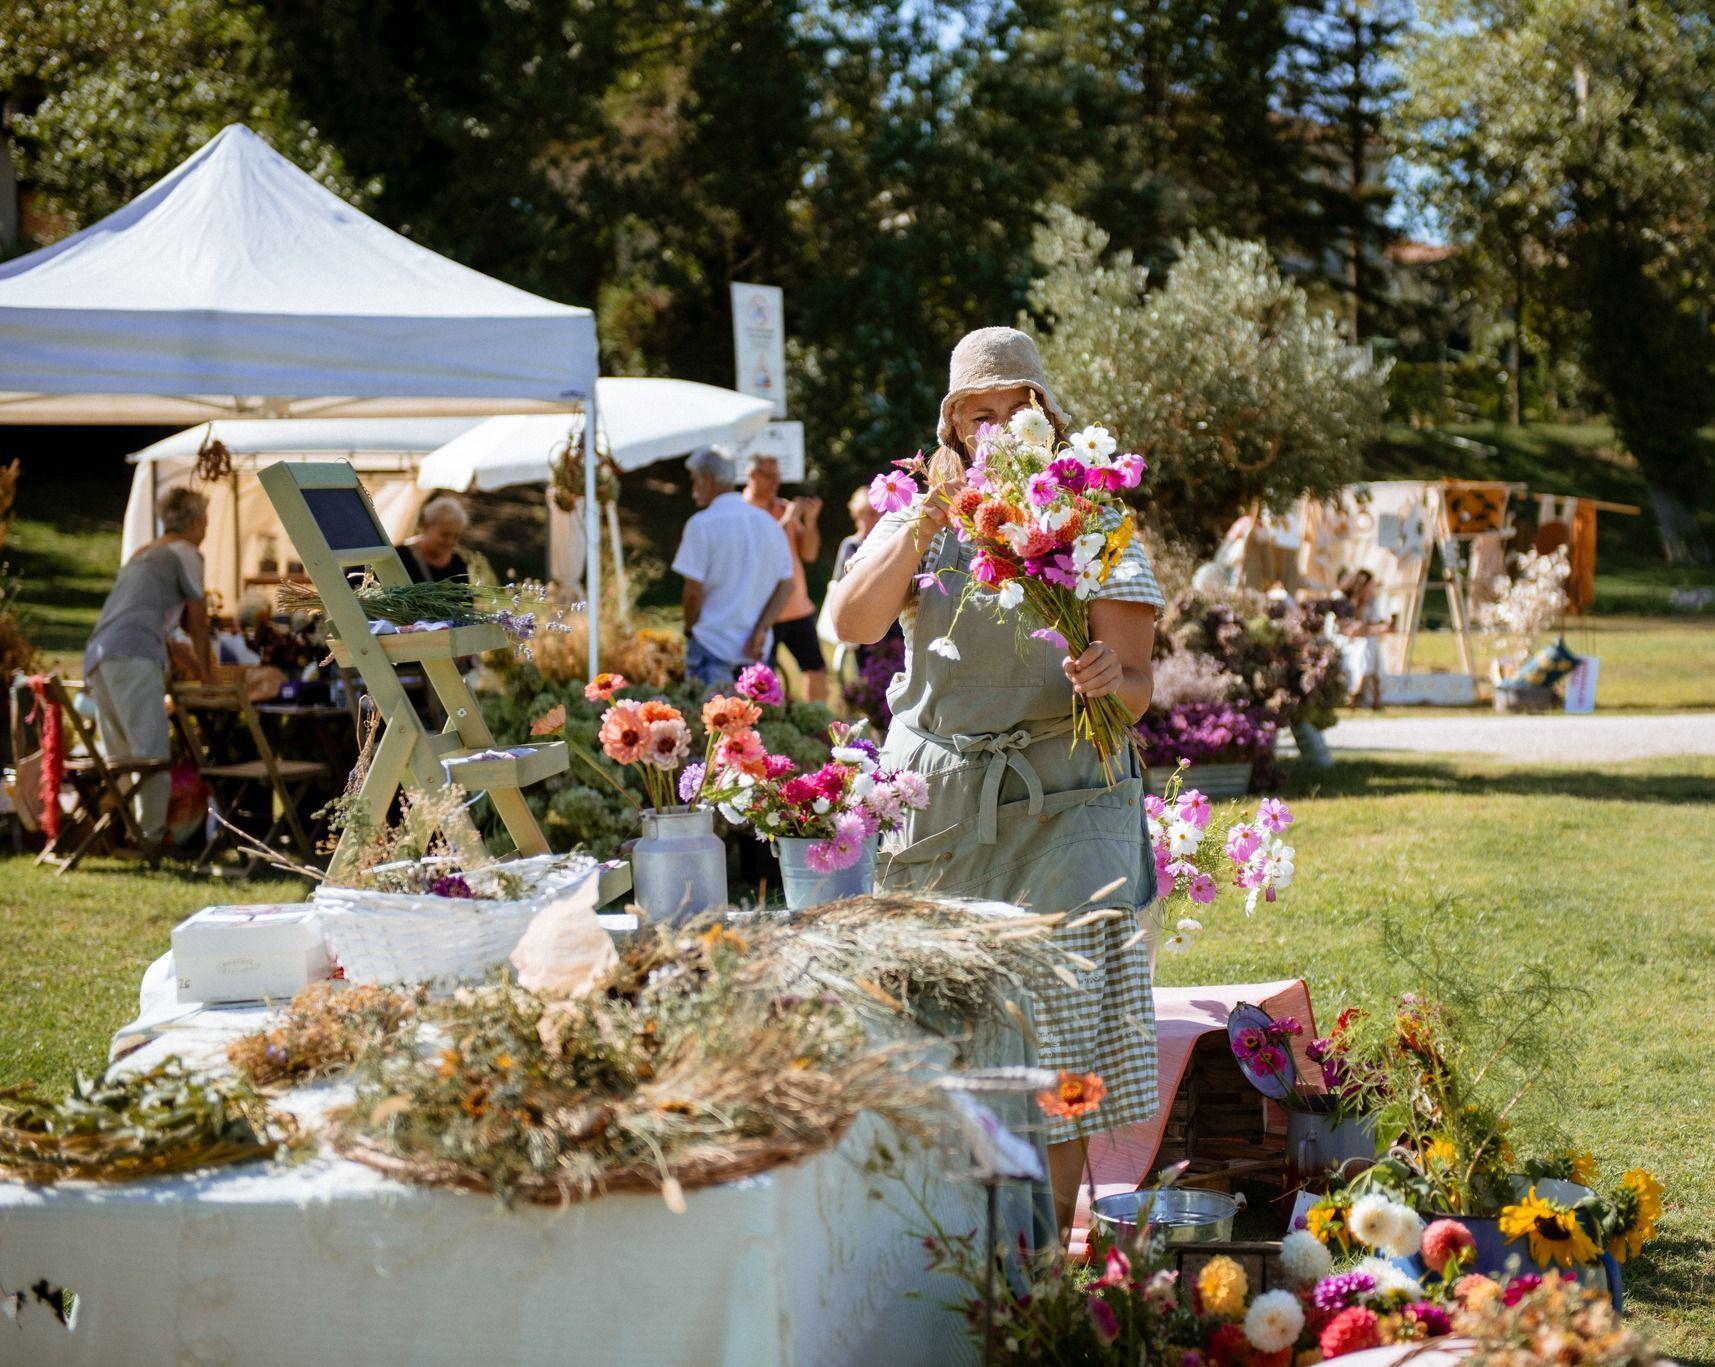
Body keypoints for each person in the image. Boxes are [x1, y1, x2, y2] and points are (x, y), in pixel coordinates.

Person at [827, 325, 1165, 1244]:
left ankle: (1045, 1255)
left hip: (1069, 803)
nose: (999, 426)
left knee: (1065, 1045)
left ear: (1047, 419)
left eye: (1018, 408)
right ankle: (942, 1247)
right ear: (951, 426)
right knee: (941, 1031)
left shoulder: (1094, 518)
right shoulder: (922, 514)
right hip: (942, 807)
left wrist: (1108, 680)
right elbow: (852, 620)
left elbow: (1136, 685)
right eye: (980, 412)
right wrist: (927, 522)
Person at [83, 487, 212, 849]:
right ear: (196, 522)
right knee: (151, 753)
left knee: (122, 756)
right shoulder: (186, 552)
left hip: (100, 652)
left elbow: (159, 622)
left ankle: (125, 833)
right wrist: (207, 677)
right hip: (134, 654)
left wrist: (185, 661)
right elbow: (198, 624)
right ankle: (152, 839)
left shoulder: (144, 554)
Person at [673, 447, 796, 689]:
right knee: (755, 724)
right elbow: (787, 585)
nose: (693, 488)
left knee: (711, 723)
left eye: (695, 480)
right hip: (756, 648)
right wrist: (763, 627)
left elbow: (692, 591)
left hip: (711, 643)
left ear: (707, 480)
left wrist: (689, 629)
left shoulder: (701, 524)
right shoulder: (768, 524)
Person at [743, 455, 826, 702]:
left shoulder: (781, 506)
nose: (775, 483)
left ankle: (818, 726)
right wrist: (787, 520)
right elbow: (758, 551)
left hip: (797, 606)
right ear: (752, 476)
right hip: (762, 611)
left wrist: (809, 522)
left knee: (816, 669)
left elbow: (809, 553)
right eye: (769, 477)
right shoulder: (742, 511)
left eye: (777, 477)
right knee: (761, 678)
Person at [399, 496, 494, 585]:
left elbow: (465, 600)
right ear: (426, 527)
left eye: (456, 536)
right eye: (445, 535)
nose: (450, 541)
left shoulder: (458, 565)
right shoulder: (400, 557)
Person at [1328, 568, 1388, 709]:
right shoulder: (1340, 598)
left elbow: (1368, 626)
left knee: (1369, 644)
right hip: (1341, 639)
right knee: (1366, 645)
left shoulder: (1370, 601)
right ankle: (1367, 693)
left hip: (1359, 640)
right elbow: (1341, 627)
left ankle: (1358, 690)